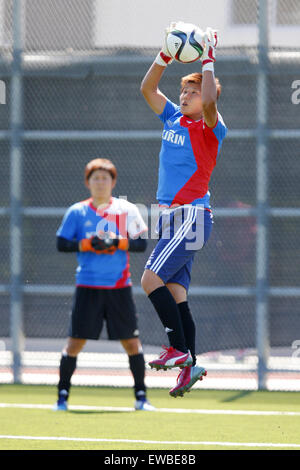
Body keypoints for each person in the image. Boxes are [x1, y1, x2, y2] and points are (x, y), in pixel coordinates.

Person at [140, 25, 227, 397]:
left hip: (190, 215)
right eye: (184, 90)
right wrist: (164, 54)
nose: (187, 95)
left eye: (193, 91)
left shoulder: (211, 126)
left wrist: (208, 58)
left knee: (149, 280)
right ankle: (189, 364)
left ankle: (177, 351)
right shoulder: (173, 117)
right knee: (176, 293)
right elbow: (147, 89)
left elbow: (209, 103)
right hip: (173, 218)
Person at [53, 158, 155, 411]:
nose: (100, 183)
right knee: (75, 343)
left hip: (119, 288)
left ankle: (141, 398)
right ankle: (62, 398)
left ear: (113, 182)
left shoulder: (127, 209)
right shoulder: (77, 211)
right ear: (88, 183)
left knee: (132, 343)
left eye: (105, 178)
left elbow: (141, 244)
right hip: (87, 287)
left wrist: (115, 243)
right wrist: (86, 244)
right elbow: (61, 244)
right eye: (95, 178)